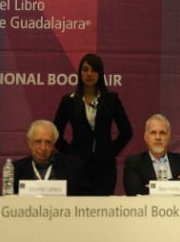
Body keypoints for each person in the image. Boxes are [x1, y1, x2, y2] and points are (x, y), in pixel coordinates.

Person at [53, 53, 133, 195]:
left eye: (94, 70)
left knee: (103, 207)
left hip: (104, 170)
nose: (89, 74)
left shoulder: (111, 99)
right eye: (85, 69)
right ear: (80, 73)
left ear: (100, 73)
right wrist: (71, 156)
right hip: (77, 167)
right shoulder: (69, 101)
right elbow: (55, 134)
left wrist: (110, 152)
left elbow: (127, 132)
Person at [123, 113, 180, 195]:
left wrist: (152, 186)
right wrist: (177, 181)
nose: (158, 137)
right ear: (146, 137)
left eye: (162, 133)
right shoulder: (134, 162)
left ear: (169, 137)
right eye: (153, 133)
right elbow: (134, 191)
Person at [13, 120, 90, 195]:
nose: (43, 148)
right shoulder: (16, 169)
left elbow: (87, 197)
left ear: (54, 144)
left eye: (48, 142)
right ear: (30, 143)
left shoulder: (73, 166)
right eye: (38, 142)